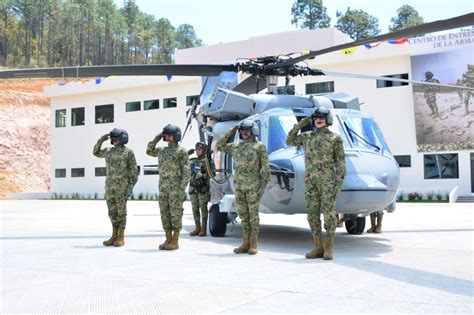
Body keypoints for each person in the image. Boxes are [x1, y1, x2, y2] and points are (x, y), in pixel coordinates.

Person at [286, 107, 346, 260]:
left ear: (328, 120)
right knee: (312, 216)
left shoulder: (335, 139)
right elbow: (289, 140)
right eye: (316, 117)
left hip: (328, 183)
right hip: (311, 182)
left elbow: (340, 165)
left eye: (322, 117)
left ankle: (329, 248)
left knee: (329, 215)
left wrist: (337, 186)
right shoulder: (306, 137)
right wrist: (302, 123)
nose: (319, 120)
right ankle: (318, 247)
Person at [216, 119, 270, 255]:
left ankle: (254, 244)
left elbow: (265, 170)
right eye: (242, 131)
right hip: (239, 187)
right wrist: (233, 129)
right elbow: (220, 145)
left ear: (253, 131)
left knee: (253, 216)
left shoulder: (259, 147)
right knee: (243, 215)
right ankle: (245, 243)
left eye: (247, 130)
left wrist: (261, 188)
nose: (244, 133)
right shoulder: (236, 147)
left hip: (253, 187)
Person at [146, 124, 190, 250]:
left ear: (176, 136)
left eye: (170, 135)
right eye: (166, 135)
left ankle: (175, 241)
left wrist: (181, 189)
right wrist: (159, 136)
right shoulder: (162, 151)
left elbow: (186, 172)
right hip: (163, 188)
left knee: (175, 214)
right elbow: (149, 150)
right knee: (165, 214)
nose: (167, 137)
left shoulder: (181, 152)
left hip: (175, 189)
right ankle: (168, 239)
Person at [93, 128, 138, 247]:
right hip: (110, 188)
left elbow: (134, 173)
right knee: (112, 212)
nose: (114, 140)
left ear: (123, 139)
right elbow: (96, 152)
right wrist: (101, 140)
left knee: (121, 213)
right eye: (112, 139)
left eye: (116, 138)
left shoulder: (128, 152)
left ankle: (121, 237)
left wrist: (129, 189)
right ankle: (114, 235)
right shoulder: (108, 151)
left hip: (121, 189)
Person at [188, 142, 212, 237]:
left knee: (203, 209)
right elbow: (179, 161)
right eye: (196, 149)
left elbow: (212, 175)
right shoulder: (192, 160)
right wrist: (186, 154)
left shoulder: (207, 161)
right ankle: (197, 228)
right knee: (195, 209)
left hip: (203, 189)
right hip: (193, 189)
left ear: (204, 150)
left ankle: (203, 229)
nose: (198, 151)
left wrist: (202, 175)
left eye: (200, 149)